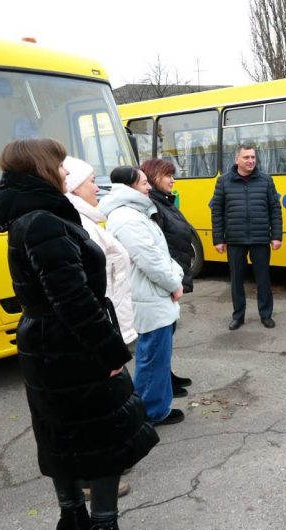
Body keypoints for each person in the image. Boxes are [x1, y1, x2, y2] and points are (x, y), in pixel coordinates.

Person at [0, 139, 158, 530]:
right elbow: (73, 299)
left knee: (61, 435)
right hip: (70, 346)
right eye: (60, 165)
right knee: (101, 439)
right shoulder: (44, 220)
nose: (67, 172)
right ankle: (102, 527)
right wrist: (109, 354)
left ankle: (73, 520)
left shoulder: (29, 215)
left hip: (48, 344)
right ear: (41, 169)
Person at [63, 156, 136, 501]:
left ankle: (108, 464)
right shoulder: (75, 220)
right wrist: (106, 338)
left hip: (110, 319)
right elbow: (87, 286)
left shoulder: (88, 217)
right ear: (73, 185)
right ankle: (93, 480)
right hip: (100, 324)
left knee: (111, 399)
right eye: (91, 180)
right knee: (98, 402)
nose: (97, 186)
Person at [98, 166, 186, 426]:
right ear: (129, 187)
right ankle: (149, 412)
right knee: (152, 359)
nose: (149, 187)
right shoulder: (128, 218)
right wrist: (174, 283)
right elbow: (151, 260)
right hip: (149, 296)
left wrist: (175, 275)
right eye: (144, 183)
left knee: (157, 357)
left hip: (152, 294)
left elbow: (158, 254)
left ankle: (155, 407)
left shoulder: (133, 213)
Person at [210, 143, 282, 330]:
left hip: (260, 239)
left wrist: (277, 236)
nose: (250, 161)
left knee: (263, 279)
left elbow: (275, 209)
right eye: (246, 157)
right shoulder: (223, 182)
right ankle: (238, 316)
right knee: (236, 281)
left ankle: (266, 315)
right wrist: (218, 239)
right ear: (237, 160)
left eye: (253, 157)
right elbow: (217, 212)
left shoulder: (266, 181)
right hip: (235, 240)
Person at [141, 158, 196, 397]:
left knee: (169, 331)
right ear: (153, 178)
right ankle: (162, 383)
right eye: (167, 175)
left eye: (172, 175)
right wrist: (172, 279)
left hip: (174, 273)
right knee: (162, 334)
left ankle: (167, 376)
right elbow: (157, 248)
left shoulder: (164, 201)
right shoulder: (153, 205)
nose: (172, 180)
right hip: (166, 278)